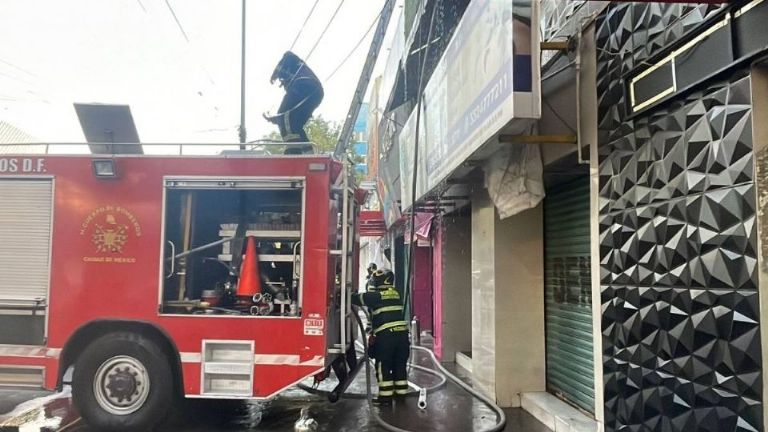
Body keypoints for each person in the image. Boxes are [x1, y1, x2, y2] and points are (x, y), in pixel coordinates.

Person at [352, 269, 410, 403]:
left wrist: (343, 292)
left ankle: (385, 397)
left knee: (383, 366)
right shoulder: (396, 294)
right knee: (399, 365)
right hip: (402, 336)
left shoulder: (376, 296)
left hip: (386, 337)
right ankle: (401, 395)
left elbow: (357, 298)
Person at [264, 51, 324, 155]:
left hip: (304, 84)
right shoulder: (299, 69)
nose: (283, 84)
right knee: (296, 123)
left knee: (283, 114)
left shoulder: (293, 63)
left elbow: (288, 54)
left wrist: (275, 73)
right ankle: (308, 151)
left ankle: (293, 149)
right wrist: (275, 119)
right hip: (317, 94)